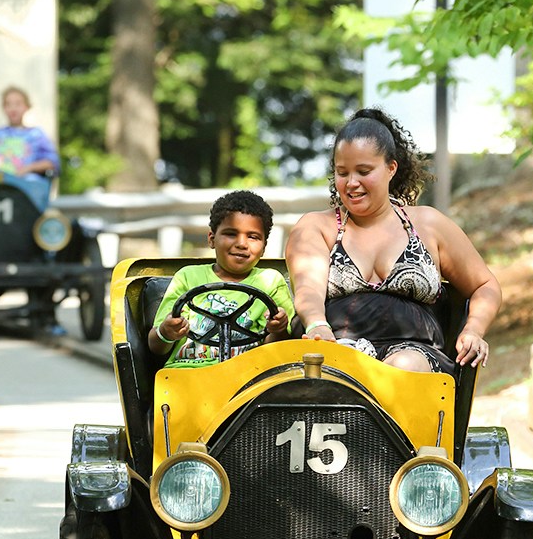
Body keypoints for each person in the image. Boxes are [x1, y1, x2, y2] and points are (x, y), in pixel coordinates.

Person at [285, 107, 499, 375]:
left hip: (415, 356)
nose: (352, 183)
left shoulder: (429, 224)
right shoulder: (317, 226)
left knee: (404, 367)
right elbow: (308, 289)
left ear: (391, 168)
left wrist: (473, 330)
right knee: (343, 369)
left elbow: (485, 284)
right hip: (336, 350)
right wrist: (317, 324)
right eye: (342, 172)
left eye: (364, 171)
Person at [150, 191, 294, 368]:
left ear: (264, 246)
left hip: (248, 376)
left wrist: (278, 329)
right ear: (212, 239)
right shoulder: (187, 277)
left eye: (253, 237)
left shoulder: (271, 281)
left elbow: (281, 350)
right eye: (231, 234)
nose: (241, 243)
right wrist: (167, 331)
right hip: (187, 374)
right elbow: (155, 346)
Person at [0, 86, 60, 177]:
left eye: (18, 104)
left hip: (23, 186)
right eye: (8, 104)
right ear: (3, 108)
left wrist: (28, 168)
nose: (13, 108)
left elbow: (51, 162)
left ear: (27, 107)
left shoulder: (36, 135)